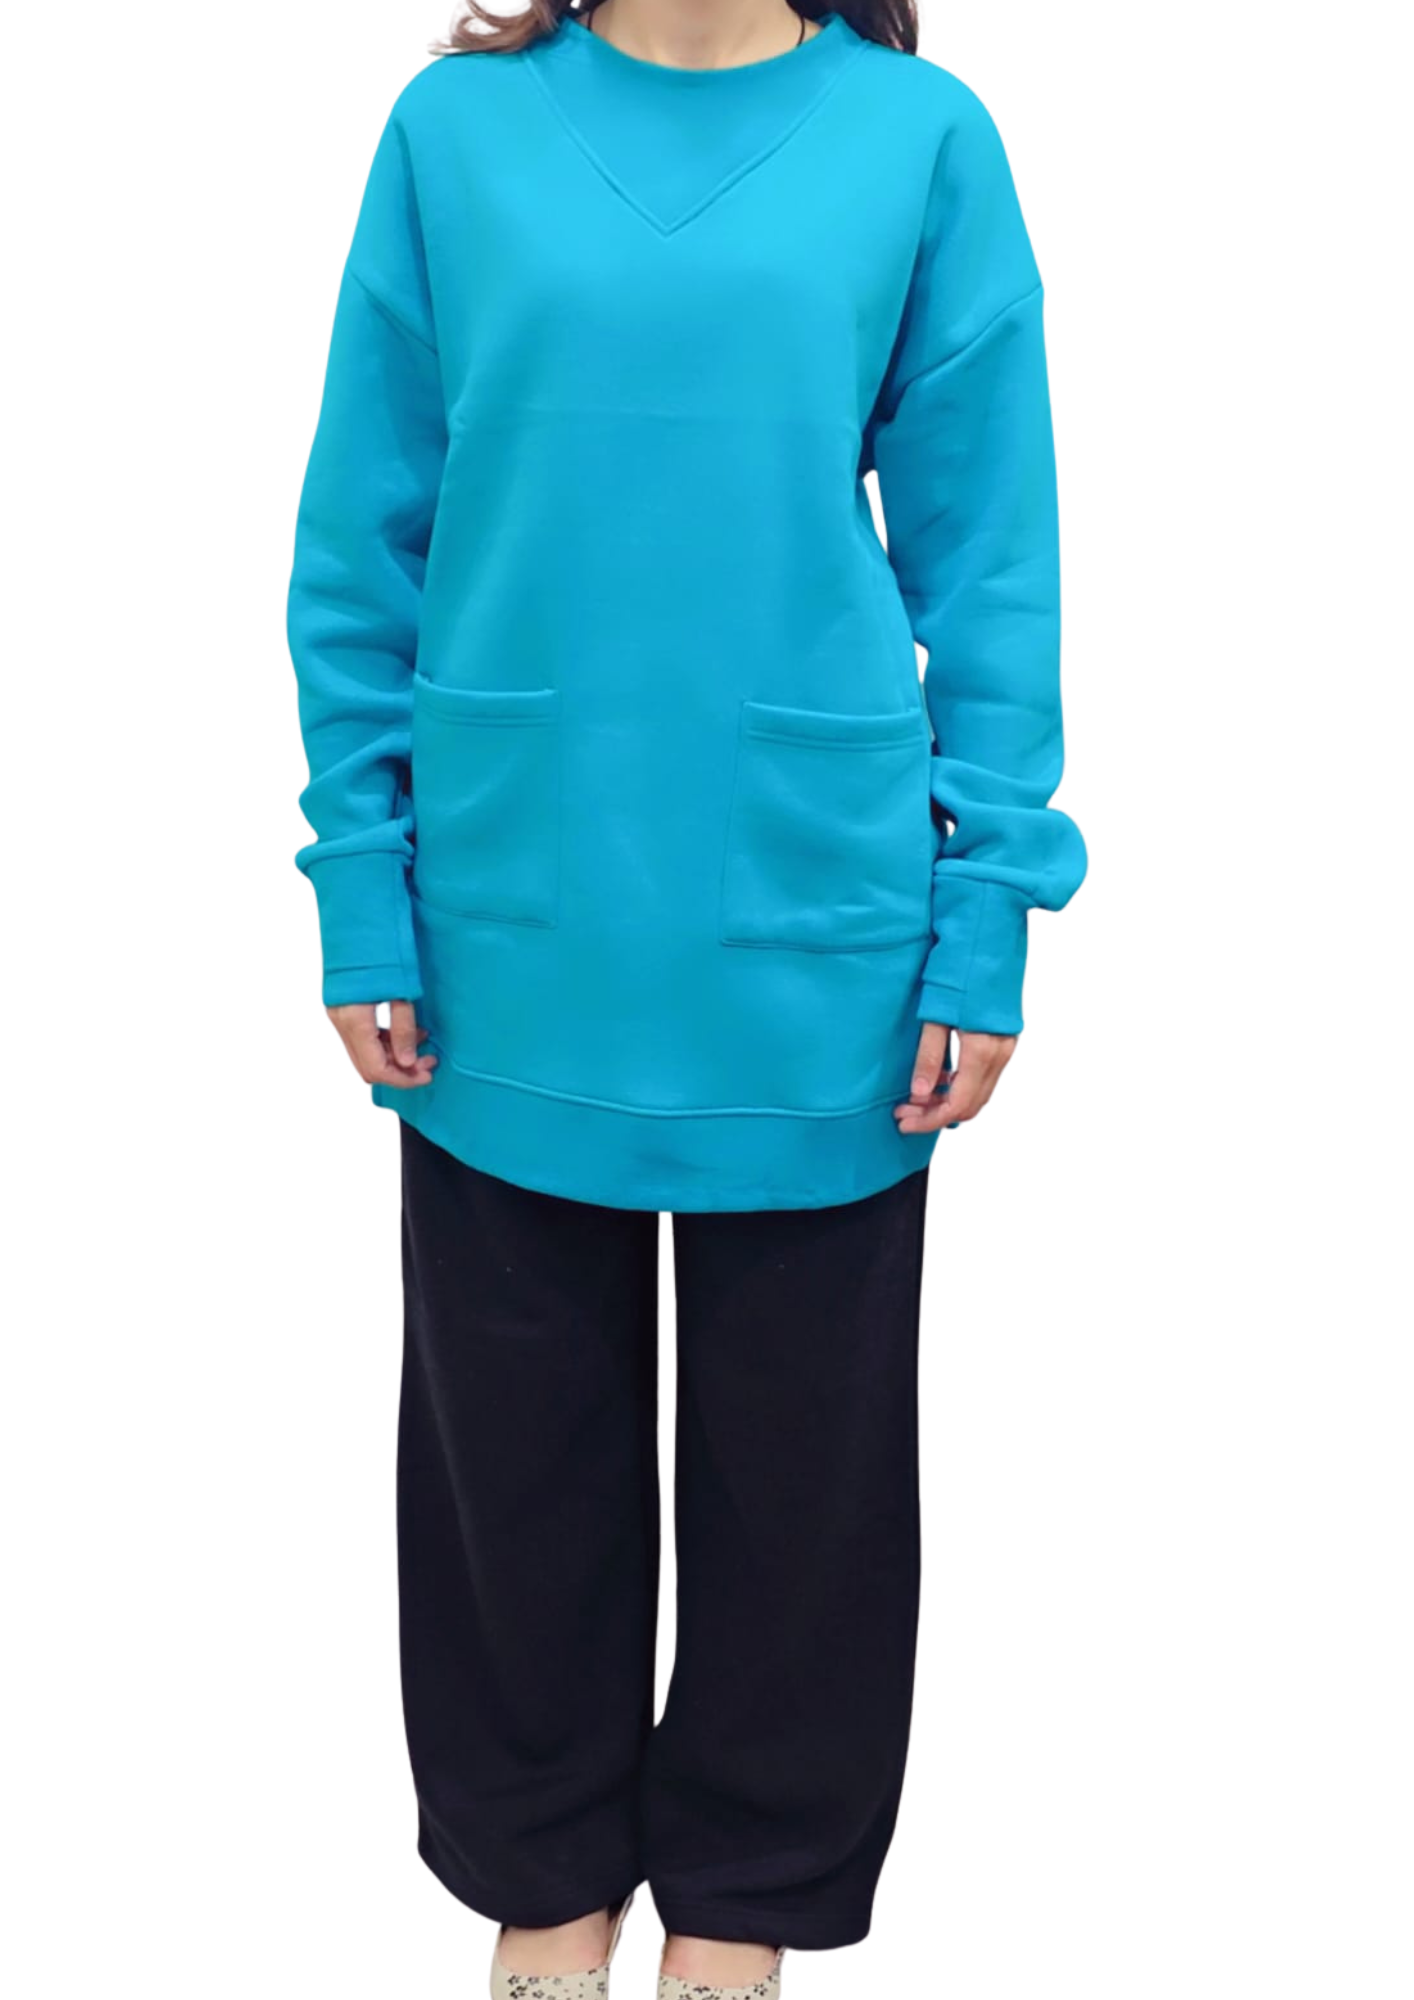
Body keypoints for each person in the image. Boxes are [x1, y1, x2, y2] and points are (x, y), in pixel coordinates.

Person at [286, 1, 1086, 1993]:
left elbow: (989, 563)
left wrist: (984, 911)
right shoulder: (454, 135)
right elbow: (359, 542)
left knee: (805, 1472)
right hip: (510, 911)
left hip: (812, 909)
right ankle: (542, 1886)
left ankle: (738, 1913)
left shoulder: (919, 138)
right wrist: (360, 885)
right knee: (510, 1455)